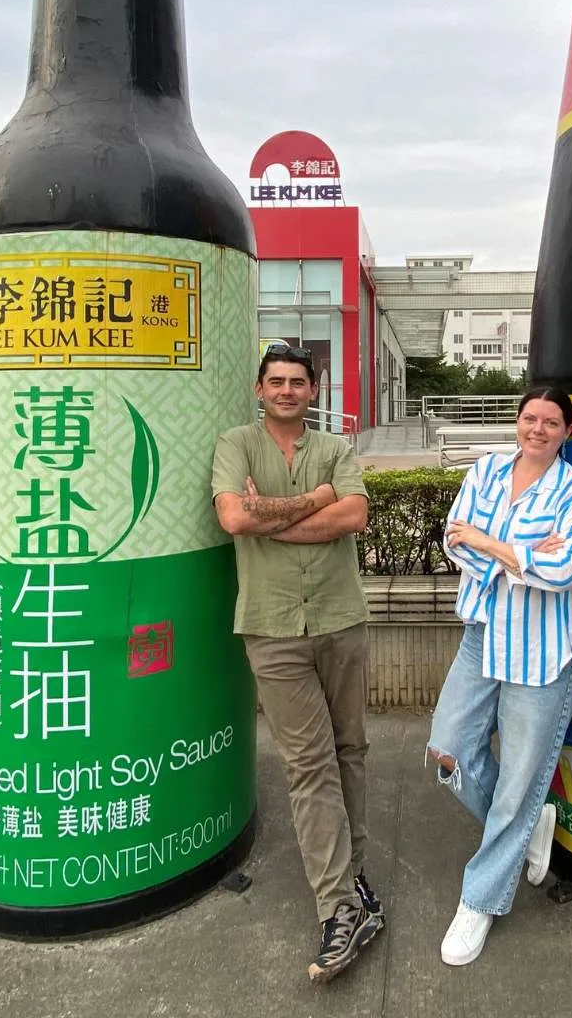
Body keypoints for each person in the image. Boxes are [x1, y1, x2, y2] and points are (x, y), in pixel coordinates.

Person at [211, 344, 380, 985]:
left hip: (340, 616)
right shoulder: (236, 443)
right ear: (260, 388)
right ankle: (338, 906)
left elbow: (356, 513)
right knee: (308, 765)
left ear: (314, 390)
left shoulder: (335, 448)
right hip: (272, 626)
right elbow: (232, 515)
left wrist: (270, 517)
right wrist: (313, 503)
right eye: (276, 381)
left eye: (297, 382)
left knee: (351, 751)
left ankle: (354, 875)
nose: (286, 390)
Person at [428, 385, 572, 966]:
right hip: (486, 632)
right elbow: (457, 539)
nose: (539, 429)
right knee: (448, 750)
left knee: (518, 783)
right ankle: (531, 827)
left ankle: (479, 899)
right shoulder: (486, 470)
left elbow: (559, 572)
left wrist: (491, 542)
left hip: (548, 650)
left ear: (566, 432)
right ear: (517, 421)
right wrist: (516, 551)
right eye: (530, 418)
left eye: (552, 422)